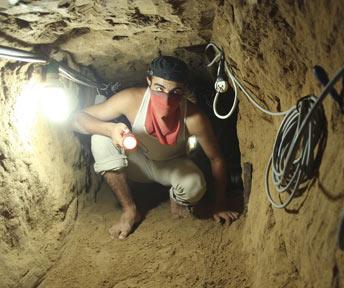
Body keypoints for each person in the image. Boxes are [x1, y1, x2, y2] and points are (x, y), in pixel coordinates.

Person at [72, 56, 239, 240]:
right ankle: (129, 210)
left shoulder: (193, 118)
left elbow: (216, 159)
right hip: (136, 162)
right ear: (148, 82)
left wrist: (219, 203)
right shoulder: (132, 99)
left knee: (194, 186)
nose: (166, 100)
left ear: (183, 91)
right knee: (100, 138)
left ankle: (177, 198)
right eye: (159, 89)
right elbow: (78, 119)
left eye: (175, 92)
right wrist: (110, 129)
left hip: (171, 165)